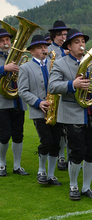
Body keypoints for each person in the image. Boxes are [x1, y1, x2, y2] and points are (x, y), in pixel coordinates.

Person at [48, 29, 92, 200]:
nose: (81, 44)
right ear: (68, 46)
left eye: (83, 41)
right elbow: (52, 87)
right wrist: (72, 84)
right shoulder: (60, 63)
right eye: (77, 42)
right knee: (77, 152)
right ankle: (73, 185)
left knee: (91, 152)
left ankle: (87, 187)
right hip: (72, 113)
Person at [17, 34, 62, 184]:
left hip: (56, 109)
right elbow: (22, 91)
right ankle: (41, 170)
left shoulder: (55, 64)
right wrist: (38, 102)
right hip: (39, 111)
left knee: (56, 143)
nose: (44, 49)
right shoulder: (25, 68)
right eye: (39, 47)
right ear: (32, 51)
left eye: (45, 47)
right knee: (46, 142)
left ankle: (51, 174)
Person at [0, 27, 28, 177]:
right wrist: (4, 68)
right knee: (4, 135)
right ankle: (1, 163)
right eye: (3, 40)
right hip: (2, 103)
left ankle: (17, 166)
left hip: (18, 101)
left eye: (8, 40)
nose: (6, 43)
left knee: (18, 135)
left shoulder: (17, 56)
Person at [47, 20, 69, 171]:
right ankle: (60, 156)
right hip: (55, 92)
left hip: (68, 92)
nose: (63, 38)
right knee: (58, 129)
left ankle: (67, 156)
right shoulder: (49, 49)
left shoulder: (68, 49)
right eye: (60, 35)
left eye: (65, 35)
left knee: (68, 128)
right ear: (54, 35)